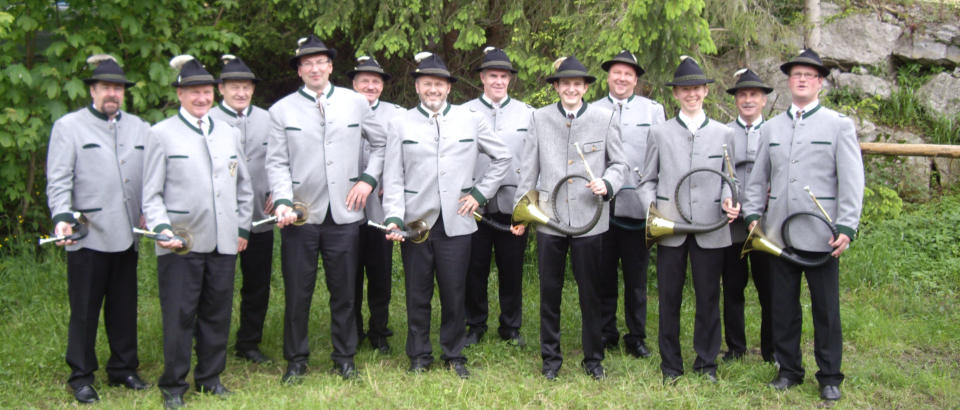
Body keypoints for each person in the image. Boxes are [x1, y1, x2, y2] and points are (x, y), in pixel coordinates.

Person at [743, 49, 864, 401]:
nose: (801, 80)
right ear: (788, 81)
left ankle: (830, 376)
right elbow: (758, 178)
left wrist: (847, 226)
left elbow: (852, 180)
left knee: (826, 310)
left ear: (819, 82)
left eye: (809, 75)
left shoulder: (838, 125)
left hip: (822, 234)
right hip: (779, 234)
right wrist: (752, 215)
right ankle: (789, 370)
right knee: (783, 307)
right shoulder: (771, 127)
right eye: (796, 74)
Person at [381, 51, 510, 379]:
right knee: (417, 293)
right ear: (417, 86)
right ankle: (419, 355)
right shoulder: (400, 123)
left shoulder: (471, 119)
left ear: (449, 87)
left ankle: (454, 354)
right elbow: (393, 176)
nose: (433, 89)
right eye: (427, 83)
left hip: (457, 220)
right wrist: (393, 217)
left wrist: (480, 194)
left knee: (455, 293)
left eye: (439, 84)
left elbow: (503, 157)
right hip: (416, 223)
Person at [266, 35, 387, 383]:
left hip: (345, 213)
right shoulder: (281, 110)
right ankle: (296, 360)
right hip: (300, 214)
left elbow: (381, 144)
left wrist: (367, 179)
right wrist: (283, 200)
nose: (315, 68)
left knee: (344, 291)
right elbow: (276, 162)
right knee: (297, 292)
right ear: (299, 70)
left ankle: (344, 357)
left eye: (321, 62)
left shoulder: (355, 102)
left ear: (331, 66)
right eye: (307, 63)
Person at [142, 54, 253, 409]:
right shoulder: (160, 134)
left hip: (223, 241)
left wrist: (242, 227)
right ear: (180, 94)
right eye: (194, 92)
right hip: (181, 243)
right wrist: (161, 228)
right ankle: (174, 385)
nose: (202, 98)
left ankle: (210, 378)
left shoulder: (228, 132)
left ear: (214, 93)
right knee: (179, 315)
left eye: (206, 92)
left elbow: (243, 186)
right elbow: (151, 193)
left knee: (217, 313)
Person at [511, 56, 628, 381]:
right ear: (557, 87)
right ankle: (551, 359)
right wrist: (520, 211)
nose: (571, 89)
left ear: (586, 87)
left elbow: (620, 165)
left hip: (590, 220)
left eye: (577, 84)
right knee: (549, 292)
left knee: (591, 293)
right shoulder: (539, 118)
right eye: (565, 84)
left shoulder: (605, 118)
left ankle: (594, 359)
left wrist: (608, 183)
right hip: (550, 219)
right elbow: (529, 168)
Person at [45, 54, 152, 404]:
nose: (112, 94)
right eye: (106, 87)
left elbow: (149, 175)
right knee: (85, 309)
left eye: (118, 88)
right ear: (92, 90)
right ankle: (81, 375)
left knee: (123, 307)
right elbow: (59, 179)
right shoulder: (69, 127)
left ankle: (123, 368)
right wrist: (62, 216)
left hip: (127, 234)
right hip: (87, 234)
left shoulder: (139, 127)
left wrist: (148, 211)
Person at [638, 56, 739, 384]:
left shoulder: (725, 132)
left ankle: (706, 363)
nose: (691, 94)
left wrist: (729, 199)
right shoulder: (659, 132)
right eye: (685, 89)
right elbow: (646, 180)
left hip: (711, 226)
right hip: (670, 227)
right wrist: (653, 210)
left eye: (696, 88)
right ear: (676, 94)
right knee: (669, 297)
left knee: (709, 297)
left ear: (706, 91)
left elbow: (729, 178)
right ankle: (671, 365)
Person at [591, 50, 665, 358]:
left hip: (637, 205)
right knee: (604, 274)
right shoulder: (593, 109)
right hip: (601, 206)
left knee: (636, 279)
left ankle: (636, 336)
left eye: (628, 74)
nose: (621, 78)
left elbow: (660, 157)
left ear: (636, 80)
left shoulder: (653, 111)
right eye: (617, 73)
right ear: (608, 77)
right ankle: (606, 331)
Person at [462, 46, 533, 347]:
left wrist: (528, 205)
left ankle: (510, 326)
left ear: (510, 79)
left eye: (504, 76)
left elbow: (532, 161)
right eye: (493, 76)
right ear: (482, 78)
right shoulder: (464, 112)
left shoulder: (527, 113)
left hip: (511, 202)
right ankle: (475, 324)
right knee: (474, 268)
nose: (498, 81)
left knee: (511, 267)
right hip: (473, 203)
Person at [209, 54, 275, 364]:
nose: (241, 93)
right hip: (219, 219)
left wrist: (279, 192)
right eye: (234, 87)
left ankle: (249, 342)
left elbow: (281, 158)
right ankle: (210, 342)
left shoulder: (268, 119)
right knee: (216, 286)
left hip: (260, 215)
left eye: (246, 87)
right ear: (221, 89)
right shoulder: (208, 120)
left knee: (257, 284)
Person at [347, 55, 405, 354]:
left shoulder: (397, 115)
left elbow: (407, 154)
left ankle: (379, 330)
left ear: (382, 85)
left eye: (376, 81)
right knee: (349, 273)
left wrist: (389, 181)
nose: (370, 86)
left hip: (380, 208)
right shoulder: (340, 110)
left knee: (380, 273)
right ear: (354, 84)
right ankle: (352, 329)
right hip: (346, 207)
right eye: (364, 81)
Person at [721, 68, 775, 363]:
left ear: (764, 100)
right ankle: (736, 347)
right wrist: (725, 200)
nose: (748, 100)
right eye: (742, 95)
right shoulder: (724, 132)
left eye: (754, 94)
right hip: (732, 225)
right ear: (736, 100)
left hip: (766, 224)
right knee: (732, 288)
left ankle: (771, 349)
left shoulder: (775, 131)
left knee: (769, 289)